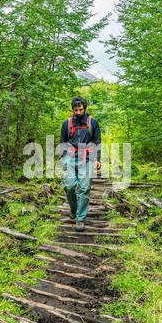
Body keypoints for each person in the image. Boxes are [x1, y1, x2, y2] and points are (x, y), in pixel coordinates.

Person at [60, 96, 101, 232]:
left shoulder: (93, 123)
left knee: (84, 188)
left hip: (87, 157)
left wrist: (97, 159)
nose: (78, 112)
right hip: (70, 157)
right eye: (75, 110)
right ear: (72, 109)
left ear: (85, 108)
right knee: (69, 186)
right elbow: (63, 142)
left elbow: (97, 142)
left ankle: (80, 218)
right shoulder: (67, 123)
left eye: (80, 109)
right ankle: (73, 207)